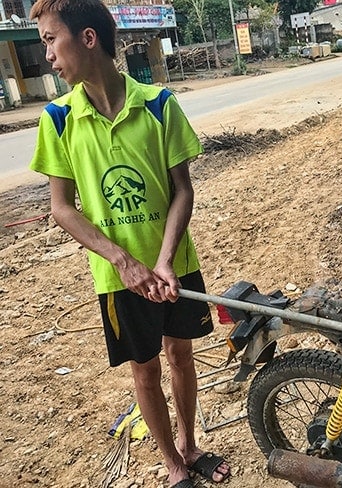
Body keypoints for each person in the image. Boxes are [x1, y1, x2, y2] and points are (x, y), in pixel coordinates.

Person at [28, 1, 230, 486]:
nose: (49, 57)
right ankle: (171, 462)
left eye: (52, 40)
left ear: (88, 38)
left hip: (173, 263)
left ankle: (190, 443)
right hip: (118, 277)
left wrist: (162, 262)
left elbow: (183, 188)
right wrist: (123, 261)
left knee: (181, 355)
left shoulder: (159, 104)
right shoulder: (58, 120)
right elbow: (62, 207)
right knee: (144, 371)